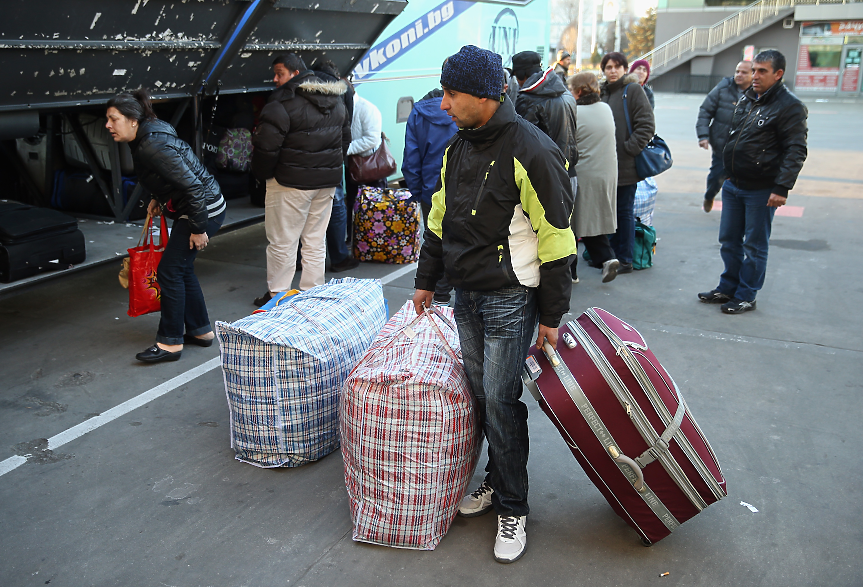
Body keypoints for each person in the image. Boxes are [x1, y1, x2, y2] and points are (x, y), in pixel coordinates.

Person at [412, 45, 576, 564]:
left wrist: (551, 315)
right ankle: (494, 480)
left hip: (509, 299)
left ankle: (513, 506)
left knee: (502, 403)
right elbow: (439, 221)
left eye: (451, 94)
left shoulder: (533, 150)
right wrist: (426, 281)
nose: (443, 104)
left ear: (484, 95)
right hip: (466, 296)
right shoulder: (457, 147)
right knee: (481, 396)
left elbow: (558, 241)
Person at [106, 89, 226, 363]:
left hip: (201, 209)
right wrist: (157, 199)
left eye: (114, 119)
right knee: (180, 268)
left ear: (133, 120)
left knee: (169, 272)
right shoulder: (149, 132)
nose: (108, 125)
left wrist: (197, 228)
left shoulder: (151, 145)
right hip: (201, 206)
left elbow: (193, 187)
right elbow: (171, 175)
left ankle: (170, 342)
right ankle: (200, 331)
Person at [698, 50, 807, 314]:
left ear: (778, 74)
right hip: (734, 183)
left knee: (754, 246)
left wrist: (782, 187)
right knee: (729, 240)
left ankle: (746, 294)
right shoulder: (747, 98)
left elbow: (796, 150)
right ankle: (728, 287)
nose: (755, 76)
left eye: (762, 71)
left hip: (762, 188)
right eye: (754, 70)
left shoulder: (789, 105)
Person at [251, 53, 350, 306]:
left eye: (279, 73)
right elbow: (344, 142)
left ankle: (279, 297)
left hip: (289, 183)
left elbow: (265, 149)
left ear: (295, 74)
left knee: (282, 242)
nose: (275, 79)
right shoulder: (336, 101)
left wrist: (263, 175)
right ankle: (312, 296)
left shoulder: (281, 104)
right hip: (326, 183)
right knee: (315, 241)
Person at [511, 50, 578, 278]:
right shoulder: (563, 91)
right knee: (564, 226)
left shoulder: (529, 98)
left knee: (545, 230)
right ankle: (571, 272)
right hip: (570, 168)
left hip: (546, 174)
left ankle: (552, 280)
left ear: (520, 75)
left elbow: (522, 142)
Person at [401, 88, 458, 304]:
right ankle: (452, 291)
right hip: (460, 187)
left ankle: (439, 295)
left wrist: (417, 191)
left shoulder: (418, 113)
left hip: (430, 189)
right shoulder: (463, 109)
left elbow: (411, 159)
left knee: (435, 240)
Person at [600, 51, 655, 274]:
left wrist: (628, 149)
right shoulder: (602, 92)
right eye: (608, 67)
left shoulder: (632, 90)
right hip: (604, 165)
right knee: (609, 211)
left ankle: (625, 259)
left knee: (624, 211)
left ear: (625, 69)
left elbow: (647, 125)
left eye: (617, 66)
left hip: (625, 164)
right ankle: (610, 255)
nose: (613, 71)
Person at [567, 72, 620, 283]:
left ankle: (571, 272)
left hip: (583, 173)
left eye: (571, 89)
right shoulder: (605, 108)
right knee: (591, 220)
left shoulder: (575, 112)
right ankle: (606, 259)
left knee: (570, 223)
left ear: (579, 91)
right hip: (606, 172)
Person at [313, 60, 359, 273]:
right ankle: (339, 256)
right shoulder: (344, 89)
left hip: (307, 157)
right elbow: (346, 125)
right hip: (332, 156)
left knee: (306, 209)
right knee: (337, 202)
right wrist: (340, 155)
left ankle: (297, 260)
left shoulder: (304, 84)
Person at [696, 61, 754, 213]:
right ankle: (710, 195)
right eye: (737, 71)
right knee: (717, 176)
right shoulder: (723, 88)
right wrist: (703, 136)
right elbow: (705, 111)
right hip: (722, 144)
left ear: (753, 75)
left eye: (744, 72)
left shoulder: (758, 93)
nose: (739, 75)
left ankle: (737, 209)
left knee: (742, 180)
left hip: (746, 148)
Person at [344, 89, 386, 242]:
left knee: (374, 204)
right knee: (351, 203)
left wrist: (344, 148)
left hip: (371, 167)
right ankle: (354, 238)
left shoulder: (367, 109)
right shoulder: (345, 108)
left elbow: (372, 139)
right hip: (352, 167)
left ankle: (374, 239)